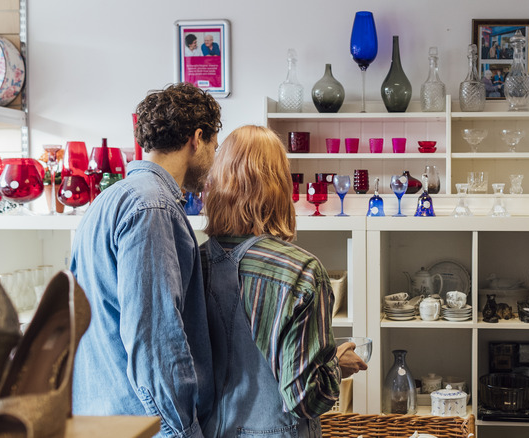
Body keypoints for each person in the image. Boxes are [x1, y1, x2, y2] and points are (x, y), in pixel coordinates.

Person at [70, 82, 221, 438]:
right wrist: (182, 429)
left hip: (100, 414)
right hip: (147, 425)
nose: (214, 158)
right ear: (197, 139)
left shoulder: (108, 201)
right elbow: (156, 340)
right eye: (214, 145)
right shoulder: (153, 207)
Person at [200, 125, 367, 438]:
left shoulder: (193, 263)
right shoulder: (301, 271)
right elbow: (305, 398)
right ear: (279, 187)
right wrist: (336, 366)